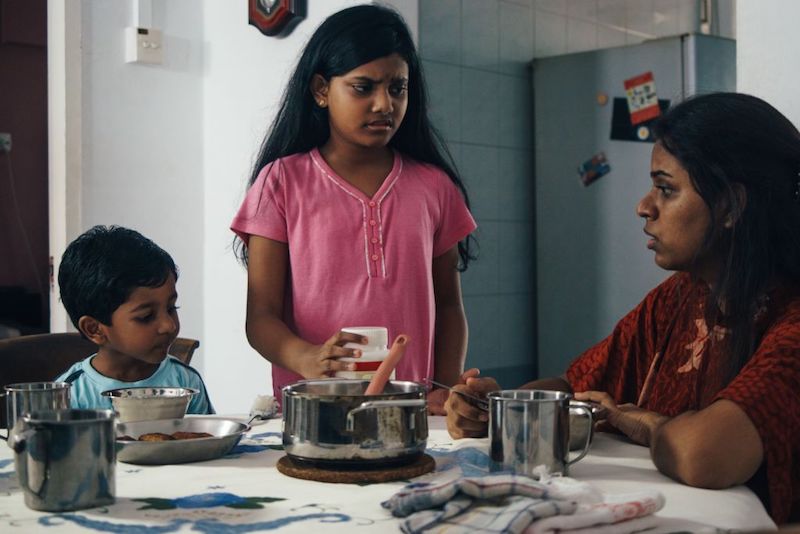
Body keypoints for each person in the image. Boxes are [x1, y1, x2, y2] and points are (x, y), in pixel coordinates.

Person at [445, 93, 800, 524]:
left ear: (731, 206)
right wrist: (498, 410)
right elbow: (573, 387)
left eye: (666, 189)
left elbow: (705, 456)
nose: (644, 207)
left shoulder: (792, 323)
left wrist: (648, 424)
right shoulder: (679, 298)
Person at [230, 4, 477, 412]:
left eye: (397, 87)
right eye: (364, 88)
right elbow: (261, 317)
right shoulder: (281, 182)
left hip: (412, 411)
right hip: (315, 409)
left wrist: (446, 386)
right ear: (321, 90)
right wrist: (304, 357)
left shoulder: (434, 186)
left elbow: (449, 306)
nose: (384, 104)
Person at [55, 225, 214, 414]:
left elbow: (206, 441)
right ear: (94, 329)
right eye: (146, 317)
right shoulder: (68, 396)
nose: (168, 326)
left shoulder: (185, 382)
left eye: (171, 308)